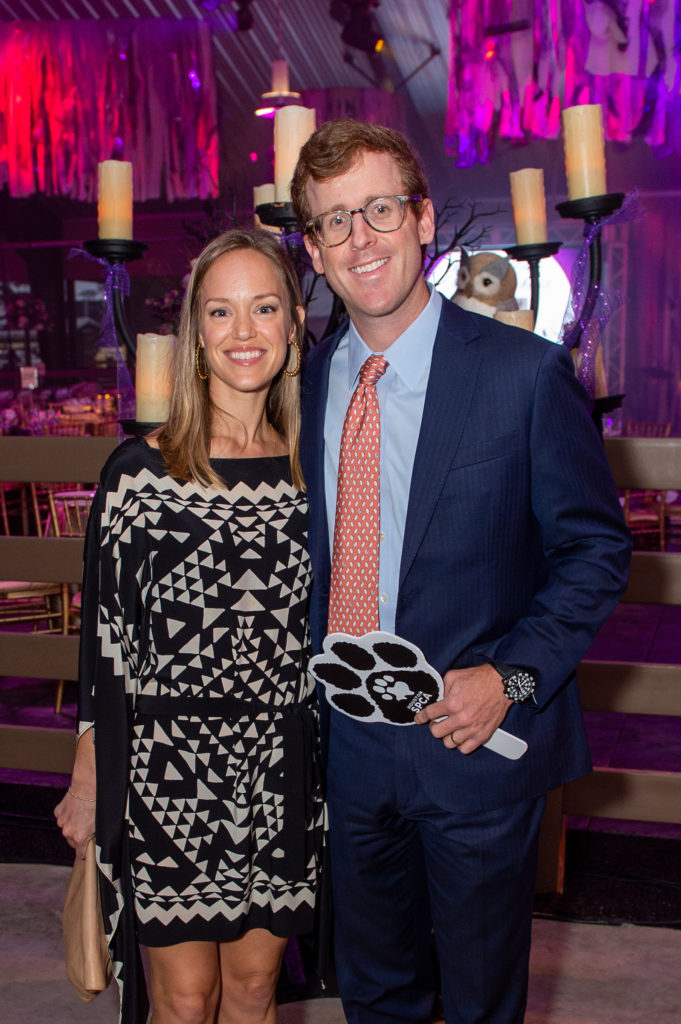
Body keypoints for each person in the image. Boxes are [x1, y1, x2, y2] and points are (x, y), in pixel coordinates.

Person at [290, 119, 632, 1023]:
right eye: (333, 222)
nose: (360, 238)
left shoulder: (523, 375)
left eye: (377, 210)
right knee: (375, 995)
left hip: (473, 742)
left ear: (422, 217)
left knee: (481, 1001)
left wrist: (509, 678)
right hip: (349, 750)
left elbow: (595, 550)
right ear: (315, 252)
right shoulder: (308, 385)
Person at [55, 228, 324, 1024]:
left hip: (281, 769)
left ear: (293, 324)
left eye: (264, 308)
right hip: (167, 773)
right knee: (184, 999)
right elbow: (104, 638)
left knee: (252, 993)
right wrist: (87, 772)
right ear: (196, 335)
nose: (244, 333)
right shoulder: (142, 473)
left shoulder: (316, 472)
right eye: (221, 312)